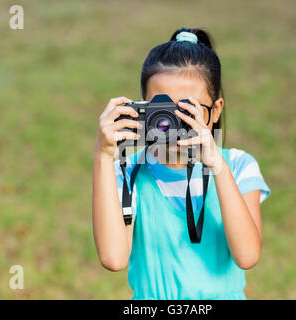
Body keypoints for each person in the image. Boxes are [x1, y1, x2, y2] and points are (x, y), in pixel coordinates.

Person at [92, 27, 270, 299]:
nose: (173, 124)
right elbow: (114, 258)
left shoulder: (237, 166)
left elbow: (247, 255)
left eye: (187, 111)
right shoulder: (129, 173)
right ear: (143, 109)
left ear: (216, 110)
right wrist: (103, 156)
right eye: (163, 110)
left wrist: (215, 163)